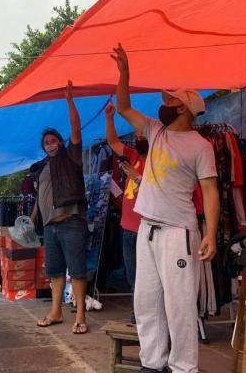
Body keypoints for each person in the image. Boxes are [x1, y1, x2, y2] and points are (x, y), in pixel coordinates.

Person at [111, 43, 220, 373]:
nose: (164, 104)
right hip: (147, 228)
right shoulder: (154, 131)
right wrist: (125, 72)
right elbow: (124, 107)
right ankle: (152, 363)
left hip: (178, 233)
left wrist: (211, 234)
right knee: (146, 302)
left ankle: (184, 367)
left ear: (185, 108)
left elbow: (211, 191)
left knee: (179, 305)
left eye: (171, 101)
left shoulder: (201, 146)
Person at [31, 80, 89, 334]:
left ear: (61, 142)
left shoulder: (71, 156)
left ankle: (80, 316)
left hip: (71, 221)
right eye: (46, 143)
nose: (50, 144)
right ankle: (56, 312)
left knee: (76, 271)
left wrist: (69, 101)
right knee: (54, 272)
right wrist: (32, 218)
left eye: (53, 141)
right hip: (50, 228)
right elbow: (41, 196)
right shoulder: (42, 167)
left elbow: (76, 129)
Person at [104, 101, 148, 324]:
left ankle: (147, 316)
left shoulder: (157, 160)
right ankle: (136, 313)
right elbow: (112, 141)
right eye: (137, 133)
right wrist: (110, 118)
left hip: (146, 229)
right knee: (132, 276)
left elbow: (160, 190)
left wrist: (135, 177)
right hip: (127, 227)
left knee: (147, 276)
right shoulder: (132, 154)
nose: (139, 136)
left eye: (143, 134)